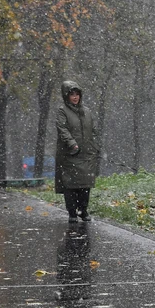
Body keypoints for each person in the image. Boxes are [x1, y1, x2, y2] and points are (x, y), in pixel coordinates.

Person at [55, 80, 100, 222]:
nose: (75, 97)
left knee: (85, 184)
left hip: (86, 155)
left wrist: (94, 147)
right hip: (70, 155)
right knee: (70, 185)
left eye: (77, 94)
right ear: (66, 96)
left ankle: (83, 210)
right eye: (72, 94)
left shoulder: (86, 111)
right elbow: (62, 129)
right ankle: (72, 213)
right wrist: (72, 144)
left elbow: (93, 131)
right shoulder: (63, 111)